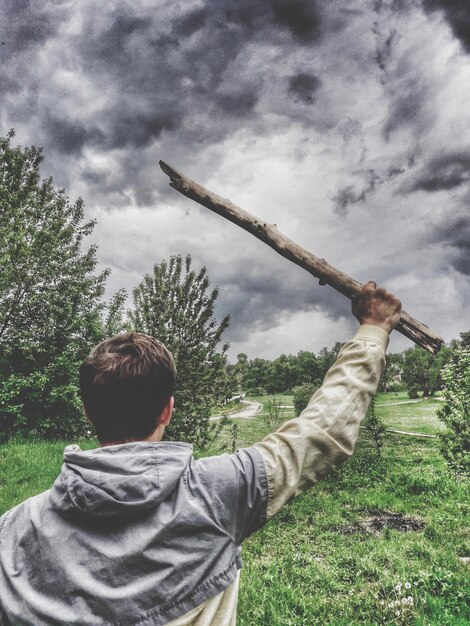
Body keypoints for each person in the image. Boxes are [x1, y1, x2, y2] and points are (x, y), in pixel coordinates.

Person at [0, 281, 401, 625]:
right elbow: (324, 429)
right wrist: (373, 329)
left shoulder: (14, 530)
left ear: (87, 410)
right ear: (167, 410)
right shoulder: (220, 492)